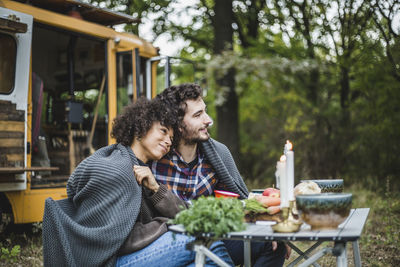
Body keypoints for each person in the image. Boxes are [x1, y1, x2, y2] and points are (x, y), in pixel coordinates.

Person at [42, 97, 234, 267]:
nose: (168, 141)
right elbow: (117, 238)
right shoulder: (117, 169)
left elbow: (183, 213)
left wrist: (156, 189)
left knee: (200, 262)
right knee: (206, 243)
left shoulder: (143, 169)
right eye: (163, 131)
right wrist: (167, 223)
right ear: (141, 128)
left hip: (135, 254)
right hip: (112, 260)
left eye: (171, 137)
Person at [152, 83, 289, 267]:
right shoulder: (154, 158)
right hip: (170, 244)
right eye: (198, 115)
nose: (208, 120)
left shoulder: (218, 154)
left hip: (214, 236)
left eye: (205, 111)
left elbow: (238, 202)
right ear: (178, 125)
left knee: (272, 245)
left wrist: (267, 226)